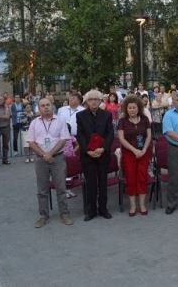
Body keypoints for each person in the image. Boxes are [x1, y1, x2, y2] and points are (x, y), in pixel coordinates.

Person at [26, 98, 73, 228]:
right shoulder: (34, 123)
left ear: (52, 106)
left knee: (61, 188)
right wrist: (44, 155)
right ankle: (43, 216)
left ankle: (65, 214)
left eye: (48, 105)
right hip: (41, 159)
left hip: (57, 158)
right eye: (42, 106)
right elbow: (31, 142)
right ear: (39, 108)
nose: (45, 107)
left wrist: (50, 153)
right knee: (42, 189)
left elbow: (63, 139)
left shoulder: (60, 121)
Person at [76, 90, 114, 221]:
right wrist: (87, 150)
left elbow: (110, 134)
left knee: (103, 182)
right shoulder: (80, 116)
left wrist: (103, 149)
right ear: (86, 101)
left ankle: (103, 209)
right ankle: (91, 210)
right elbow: (80, 135)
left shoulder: (107, 115)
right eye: (91, 99)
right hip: (88, 155)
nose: (93, 101)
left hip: (103, 154)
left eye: (96, 99)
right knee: (90, 183)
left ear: (100, 101)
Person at [118, 95, 152, 216]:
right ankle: (132, 206)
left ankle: (142, 205)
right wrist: (134, 150)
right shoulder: (122, 121)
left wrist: (143, 150)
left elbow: (148, 135)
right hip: (129, 154)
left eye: (134, 107)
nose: (132, 110)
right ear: (126, 109)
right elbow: (121, 139)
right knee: (131, 179)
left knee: (142, 178)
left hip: (143, 153)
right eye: (130, 108)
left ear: (139, 108)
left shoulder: (145, 119)